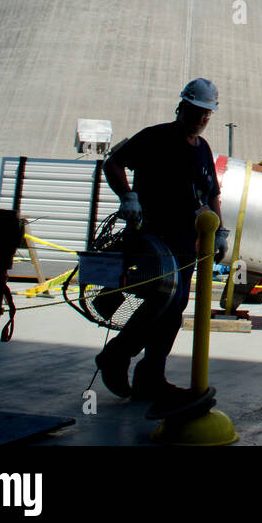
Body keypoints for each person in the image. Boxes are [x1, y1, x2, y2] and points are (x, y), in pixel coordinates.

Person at [94, 78, 225, 401]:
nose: (201, 118)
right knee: (165, 301)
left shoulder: (204, 150)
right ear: (182, 107)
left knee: (174, 307)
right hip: (152, 238)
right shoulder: (156, 138)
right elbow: (113, 163)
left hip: (185, 244)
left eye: (207, 114)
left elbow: (212, 196)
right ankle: (119, 356)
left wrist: (220, 231)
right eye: (196, 111)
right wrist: (127, 196)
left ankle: (149, 374)